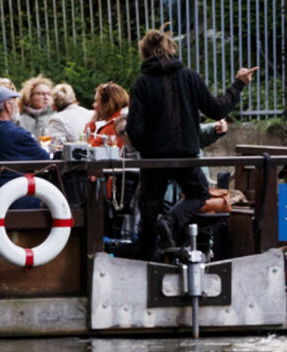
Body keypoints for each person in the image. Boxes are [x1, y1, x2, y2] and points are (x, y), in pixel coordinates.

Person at [126, 29, 253, 260]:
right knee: (199, 193)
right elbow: (217, 109)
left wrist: (149, 147)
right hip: (185, 154)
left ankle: (145, 265)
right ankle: (170, 221)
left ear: (144, 54)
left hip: (154, 158)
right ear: (171, 49)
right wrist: (238, 84)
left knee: (148, 208)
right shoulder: (189, 77)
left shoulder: (142, 83)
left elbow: (134, 130)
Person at [0, 86, 50, 210]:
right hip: (9, 201)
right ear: (8, 106)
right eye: (15, 103)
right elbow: (46, 160)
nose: (17, 107)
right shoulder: (16, 134)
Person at [85, 83, 129, 150]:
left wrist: (91, 125)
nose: (94, 105)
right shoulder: (125, 117)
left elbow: (89, 149)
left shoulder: (113, 127)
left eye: (96, 101)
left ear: (106, 105)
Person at [18, 76, 60, 141]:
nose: (46, 97)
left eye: (49, 94)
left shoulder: (56, 118)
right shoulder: (19, 120)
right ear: (29, 96)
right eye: (41, 94)